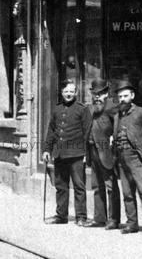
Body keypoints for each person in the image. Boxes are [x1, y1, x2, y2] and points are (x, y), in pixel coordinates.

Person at [42, 79, 92, 225]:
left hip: (76, 155)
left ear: (75, 93)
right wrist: (46, 150)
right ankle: (61, 216)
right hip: (59, 154)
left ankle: (81, 217)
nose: (68, 94)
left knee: (79, 186)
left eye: (71, 91)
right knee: (61, 186)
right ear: (62, 93)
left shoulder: (82, 109)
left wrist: (85, 154)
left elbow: (87, 133)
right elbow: (51, 131)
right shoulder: (57, 109)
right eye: (66, 91)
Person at [113, 81, 142, 237]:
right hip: (122, 159)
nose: (122, 99)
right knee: (127, 193)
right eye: (120, 96)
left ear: (132, 96)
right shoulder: (117, 115)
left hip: (137, 158)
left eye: (125, 96)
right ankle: (132, 224)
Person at [83, 79, 121, 229]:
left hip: (107, 151)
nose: (97, 97)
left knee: (110, 186)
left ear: (106, 93)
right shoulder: (91, 108)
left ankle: (114, 219)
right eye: (95, 94)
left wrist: (114, 140)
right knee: (96, 185)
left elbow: (118, 127)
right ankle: (99, 218)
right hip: (92, 150)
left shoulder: (112, 107)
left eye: (101, 94)